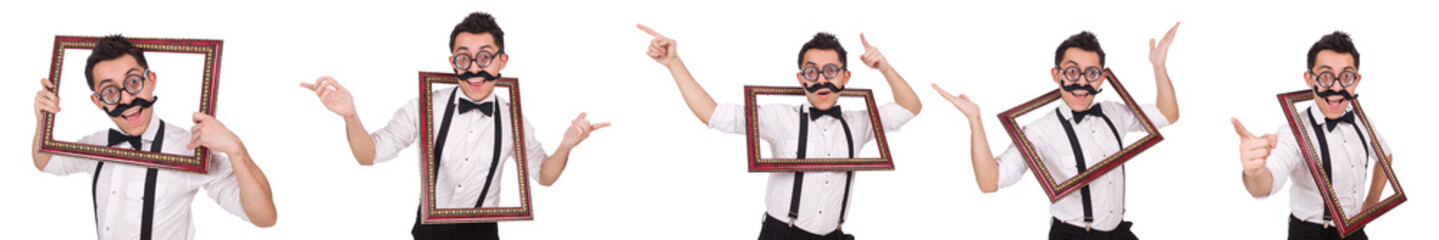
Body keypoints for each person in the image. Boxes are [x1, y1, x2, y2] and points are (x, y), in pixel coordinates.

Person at [300, 12, 608, 240]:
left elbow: (544, 175)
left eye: (485, 57)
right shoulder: (423, 107)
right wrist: (351, 116)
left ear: (502, 61)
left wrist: (566, 146)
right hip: (428, 232)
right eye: (464, 59)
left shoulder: (513, 118)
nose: (475, 69)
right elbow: (369, 155)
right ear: (453, 63)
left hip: (485, 234)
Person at [639, 24, 922, 240]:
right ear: (801, 79)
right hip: (783, 233)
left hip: (835, 234)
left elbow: (911, 107)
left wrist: (884, 67)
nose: (822, 79)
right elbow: (714, 114)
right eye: (812, 72)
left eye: (831, 70)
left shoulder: (859, 122)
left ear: (845, 77)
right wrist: (674, 63)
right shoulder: (780, 118)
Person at [932, 23, 1181, 240]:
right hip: (1074, 236)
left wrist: (1158, 66)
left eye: (1091, 73)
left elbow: (1167, 115)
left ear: (1102, 78)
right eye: (1072, 71)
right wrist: (975, 120)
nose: (1081, 82)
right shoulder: (1039, 131)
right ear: (1056, 75)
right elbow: (990, 182)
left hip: (1118, 232)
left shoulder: (1114, 112)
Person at [30, 35, 278, 240]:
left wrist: (237, 150)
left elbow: (264, 217)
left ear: (151, 81)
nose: (126, 99)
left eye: (134, 82)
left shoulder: (188, 149)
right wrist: (42, 120)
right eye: (110, 91)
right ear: (98, 102)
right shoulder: (97, 145)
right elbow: (46, 162)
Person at [1230, 31, 1390, 240]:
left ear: (1356, 80)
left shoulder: (1359, 118)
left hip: (1355, 231)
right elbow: (1265, 184)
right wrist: (1254, 172)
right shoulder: (1293, 132)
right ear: (1309, 79)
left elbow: (1385, 155)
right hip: (1313, 234)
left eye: (1346, 76)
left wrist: (1371, 203)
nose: (1336, 86)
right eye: (1325, 76)